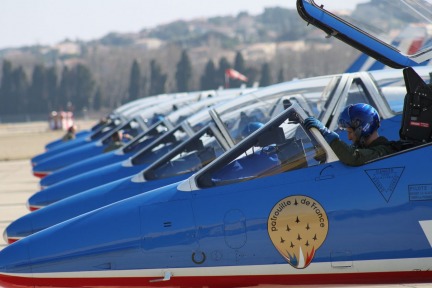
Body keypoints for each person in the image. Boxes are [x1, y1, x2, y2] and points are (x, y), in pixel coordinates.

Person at [304, 103, 399, 166]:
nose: (349, 137)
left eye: (350, 132)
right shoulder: (362, 148)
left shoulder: (384, 151)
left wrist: (329, 135)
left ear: (363, 129)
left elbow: (354, 157)